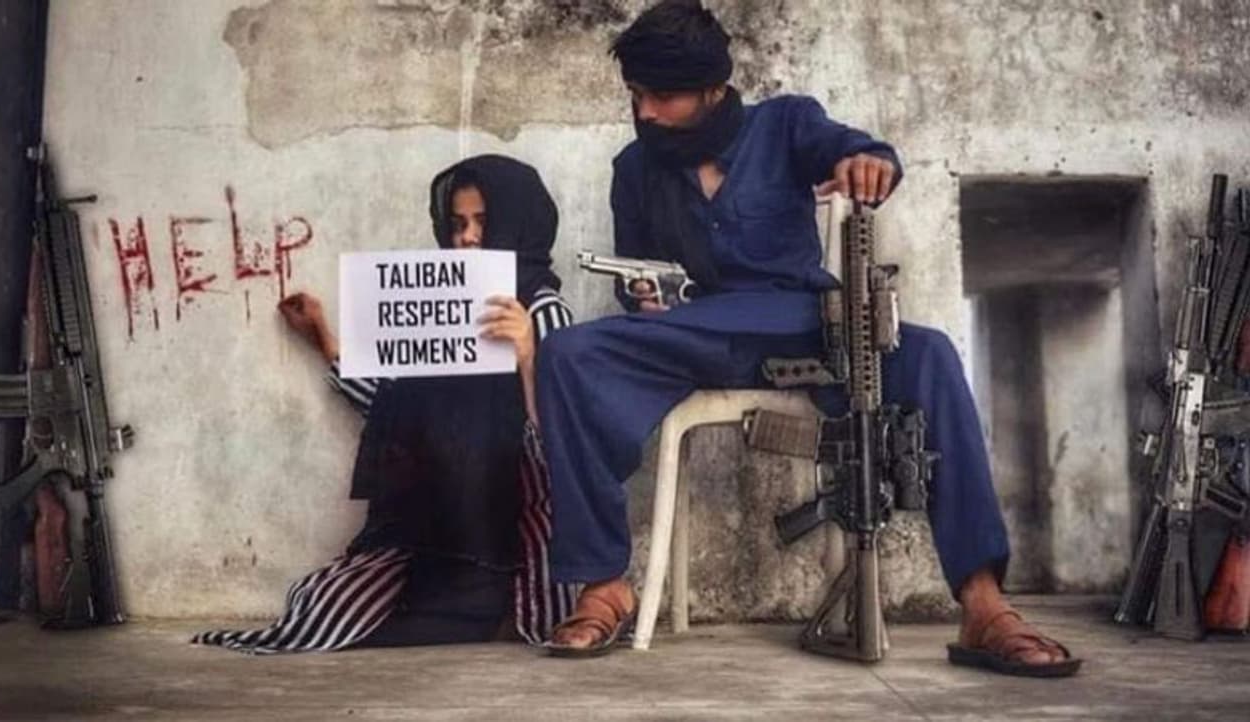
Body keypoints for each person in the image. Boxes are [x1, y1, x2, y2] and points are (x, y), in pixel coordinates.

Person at [536, 0, 1080, 677]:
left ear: (714, 89)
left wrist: (869, 162)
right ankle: (602, 585)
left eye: (662, 96)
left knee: (931, 353)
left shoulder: (786, 124)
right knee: (567, 354)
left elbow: (856, 150)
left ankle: (983, 603)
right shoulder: (634, 168)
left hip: (806, 331)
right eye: (636, 94)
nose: (645, 112)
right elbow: (636, 275)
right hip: (696, 337)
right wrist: (644, 299)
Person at [194, 155, 578, 653]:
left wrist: (526, 355)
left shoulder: (543, 312)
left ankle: (497, 607)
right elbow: (395, 406)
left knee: (545, 612)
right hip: (440, 519)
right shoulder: (441, 302)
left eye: (483, 222)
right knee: (320, 603)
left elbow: (566, 446)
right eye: (457, 223)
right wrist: (326, 341)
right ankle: (467, 610)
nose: (467, 238)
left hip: (518, 519)